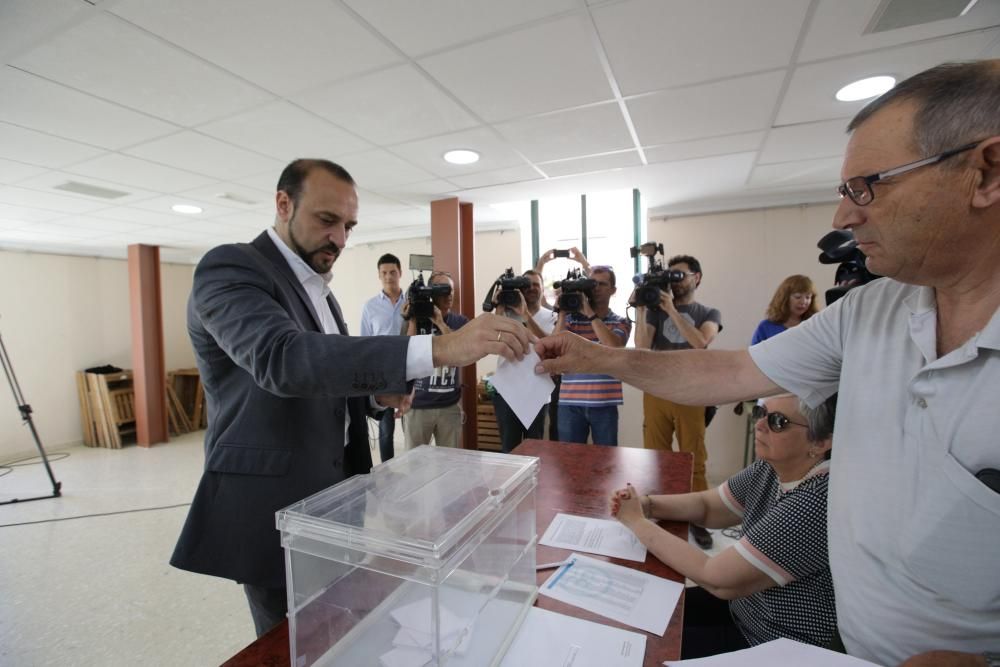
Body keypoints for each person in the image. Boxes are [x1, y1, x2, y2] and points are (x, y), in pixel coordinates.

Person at [535, 60, 1000, 666]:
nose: (843, 217)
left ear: (985, 172)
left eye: (868, 186)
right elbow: (725, 373)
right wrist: (596, 355)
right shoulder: (871, 311)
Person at [170, 159, 531, 638]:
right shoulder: (230, 268)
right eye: (326, 220)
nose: (340, 238)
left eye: (349, 226)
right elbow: (283, 360)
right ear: (283, 204)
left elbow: (329, 382)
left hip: (335, 501)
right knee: (291, 640)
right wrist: (442, 348)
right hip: (270, 506)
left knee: (338, 632)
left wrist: (375, 398)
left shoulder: (322, 292)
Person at [612, 393, 837, 658]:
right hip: (746, 608)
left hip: (772, 641)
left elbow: (715, 576)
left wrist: (636, 521)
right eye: (761, 414)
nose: (761, 425)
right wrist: (649, 505)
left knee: (647, 649)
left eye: (778, 422)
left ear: (821, 442)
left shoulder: (815, 502)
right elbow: (709, 506)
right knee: (639, 611)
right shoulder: (770, 467)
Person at [633, 255, 721, 548]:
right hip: (657, 391)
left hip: (692, 393)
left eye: (680, 275)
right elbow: (642, 347)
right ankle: (659, 511)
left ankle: (699, 519)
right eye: (671, 275)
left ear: (697, 277)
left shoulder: (708, 311)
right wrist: (643, 309)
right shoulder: (656, 313)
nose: (675, 280)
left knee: (693, 459)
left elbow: (700, 342)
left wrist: (671, 309)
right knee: (655, 457)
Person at [556, 265, 631, 446]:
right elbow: (554, 348)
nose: (596, 288)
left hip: (605, 404)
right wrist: (561, 313)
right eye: (592, 284)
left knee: (605, 463)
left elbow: (613, 348)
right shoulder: (571, 321)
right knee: (570, 462)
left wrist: (589, 313)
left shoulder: (620, 322)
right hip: (570, 404)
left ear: (613, 290)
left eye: (602, 284)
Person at [401, 271, 469, 449]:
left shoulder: (460, 322)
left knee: (451, 464)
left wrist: (440, 323)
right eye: (443, 290)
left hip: (449, 406)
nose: (449, 295)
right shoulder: (413, 321)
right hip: (418, 406)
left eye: (451, 290)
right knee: (413, 464)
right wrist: (413, 320)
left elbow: (461, 352)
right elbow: (407, 352)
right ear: (430, 293)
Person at [490, 270, 553, 452]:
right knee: (510, 450)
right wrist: (499, 307)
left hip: (538, 391)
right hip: (507, 391)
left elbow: (548, 345)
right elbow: (493, 340)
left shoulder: (551, 316)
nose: (532, 288)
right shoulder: (506, 315)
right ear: (520, 289)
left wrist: (526, 315)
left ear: (542, 289)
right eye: (528, 284)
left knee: (535, 450)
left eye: (536, 284)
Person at [360, 253, 406, 463]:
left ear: (400, 273)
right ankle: (387, 471)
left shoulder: (412, 303)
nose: (389, 277)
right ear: (379, 275)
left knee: (411, 427)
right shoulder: (370, 307)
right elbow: (365, 342)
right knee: (386, 431)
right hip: (383, 375)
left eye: (393, 272)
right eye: (384, 273)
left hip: (408, 371)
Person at [750, 274, 819, 344]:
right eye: (798, 297)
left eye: (808, 297)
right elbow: (753, 353)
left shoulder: (815, 325)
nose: (803, 302)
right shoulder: (766, 327)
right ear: (784, 298)